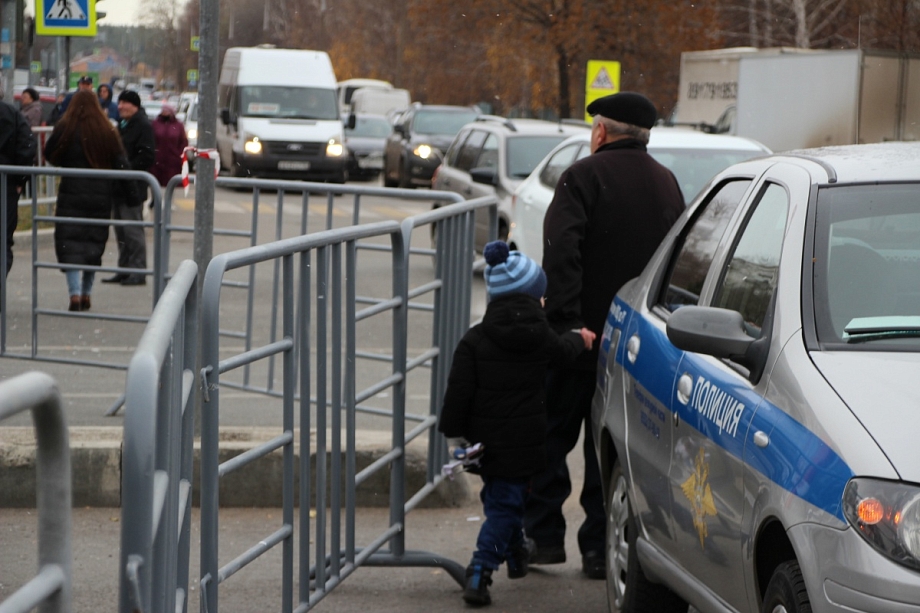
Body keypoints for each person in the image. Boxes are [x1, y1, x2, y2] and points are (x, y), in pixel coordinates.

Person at [523, 92, 685, 579]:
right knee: (609, 443)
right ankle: (599, 549)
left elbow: (562, 251)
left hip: (583, 337)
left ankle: (544, 537)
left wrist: (569, 324)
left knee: (552, 434)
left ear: (600, 132)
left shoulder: (583, 177)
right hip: (635, 342)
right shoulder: (667, 183)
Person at [438, 240, 595, 606]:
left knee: (502, 501)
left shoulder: (474, 339)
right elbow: (564, 353)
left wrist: (454, 430)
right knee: (506, 508)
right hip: (523, 443)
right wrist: (581, 339)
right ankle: (481, 569)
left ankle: (518, 550)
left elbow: (458, 391)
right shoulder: (540, 337)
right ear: (530, 298)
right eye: (540, 297)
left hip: (485, 445)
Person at [43, 90, 129, 311]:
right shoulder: (106, 129)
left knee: (69, 244)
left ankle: (74, 294)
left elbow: (49, 153)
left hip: (71, 191)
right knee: (93, 244)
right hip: (100, 195)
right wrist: (131, 191)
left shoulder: (66, 127)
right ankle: (87, 293)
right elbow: (120, 160)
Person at [103, 89, 154, 286]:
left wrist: (128, 169)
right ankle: (123, 269)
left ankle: (138, 271)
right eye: (120, 102)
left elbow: (148, 156)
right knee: (121, 232)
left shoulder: (142, 125)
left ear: (135, 105)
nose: (121, 106)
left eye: (125, 103)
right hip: (118, 186)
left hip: (132, 187)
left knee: (133, 231)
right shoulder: (125, 124)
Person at [0, 98, 36, 286]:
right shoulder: (12, 113)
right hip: (5, 183)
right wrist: (20, 178)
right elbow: (28, 146)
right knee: (3, 239)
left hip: (7, 180)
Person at [150, 104, 188, 189]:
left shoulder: (178, 125)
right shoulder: (155, 124)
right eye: (163, 110)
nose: (164, 112)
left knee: (172, 186)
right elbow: (151, 140)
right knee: (156, 187)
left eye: (166, 110)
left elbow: (183, 142)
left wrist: (179, 156)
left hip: (173, 162)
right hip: (157, 162)